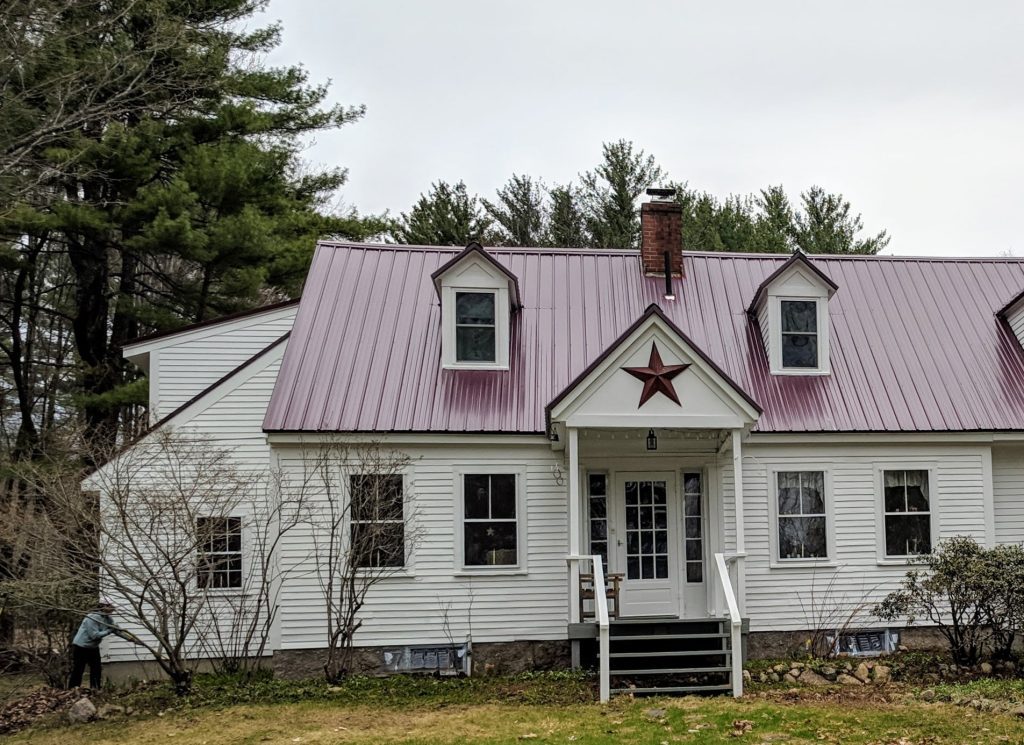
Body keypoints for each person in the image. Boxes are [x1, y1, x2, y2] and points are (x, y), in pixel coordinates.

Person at [68, 599, 123, 689]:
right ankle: (73, 689)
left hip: (93, 647)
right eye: (111, 607)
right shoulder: (92, 617)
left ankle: (95, 689)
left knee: (96, 669)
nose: (113, 609)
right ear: (104, 607)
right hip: (81, 647)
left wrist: (132, 639)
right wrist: (110, 630)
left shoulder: (108, 618)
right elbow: (94, 635)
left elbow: (116, 629)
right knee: (78, 669)